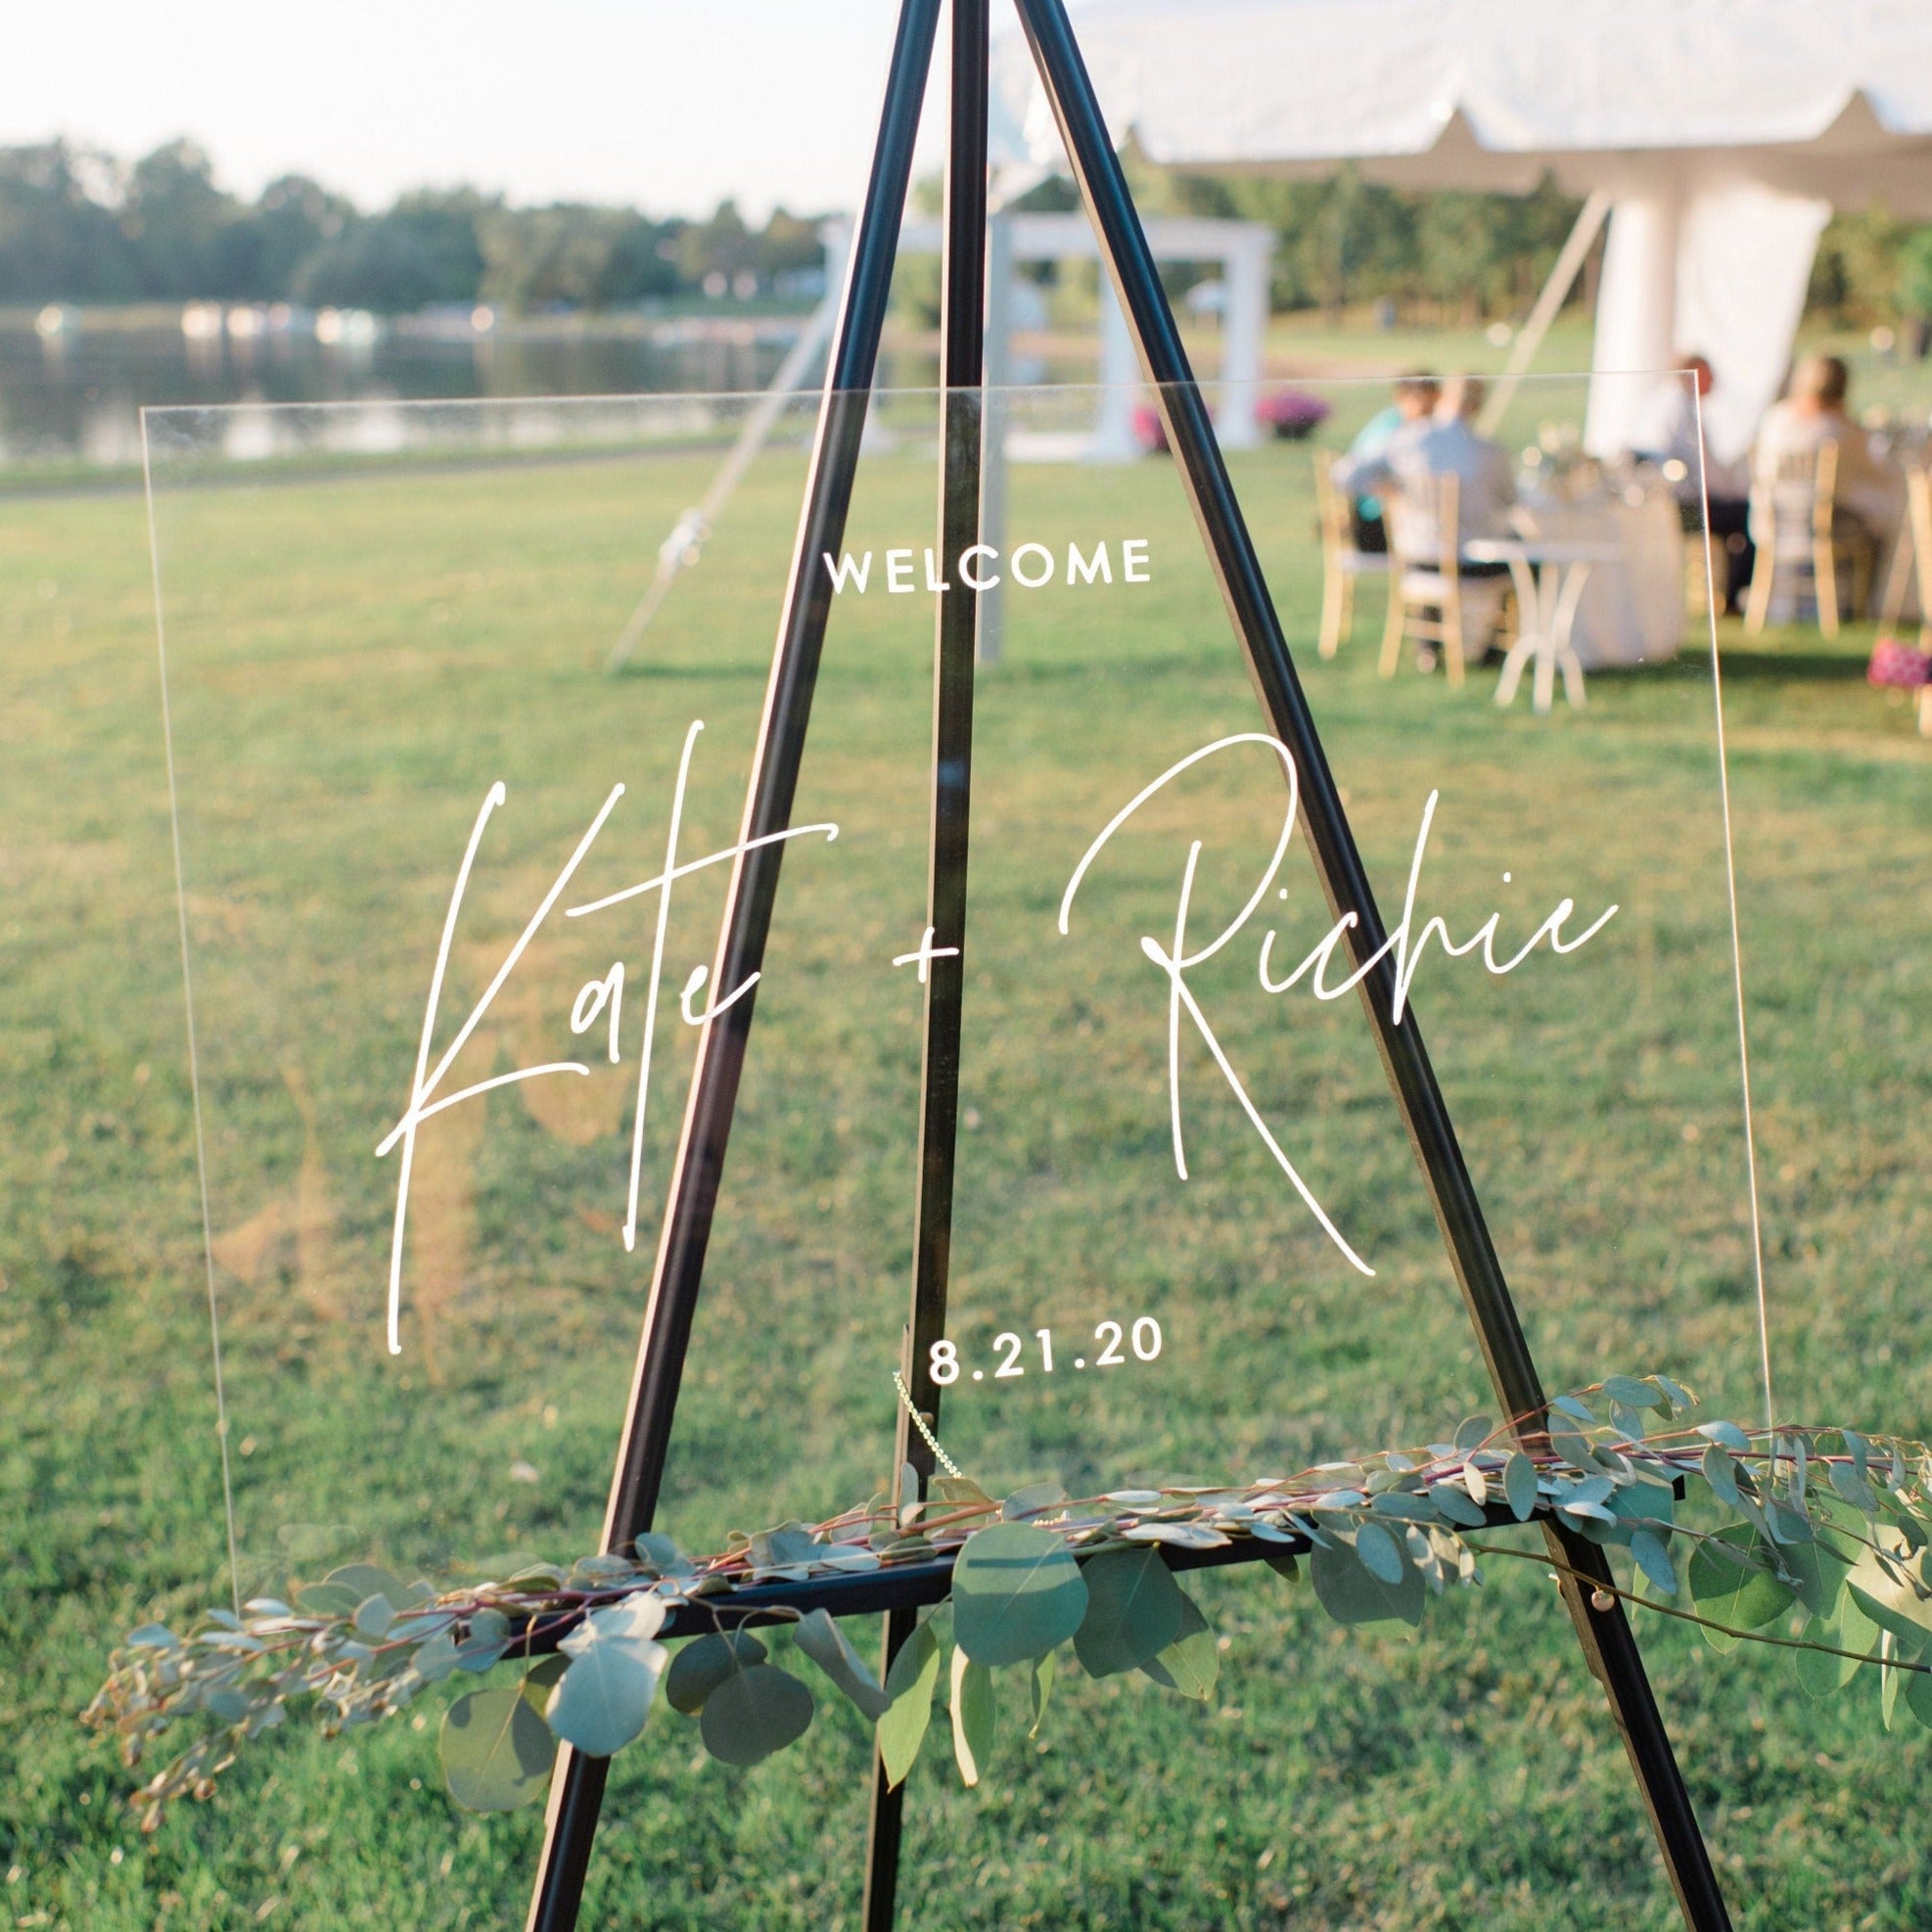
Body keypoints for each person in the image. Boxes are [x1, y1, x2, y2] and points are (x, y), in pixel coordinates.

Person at [1334, 375, 1517, 659]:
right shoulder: (1489, 452)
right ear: (1478, 407)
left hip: (1413, 559)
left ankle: (1429, 646)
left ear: (1441, 399)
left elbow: (1344, 475)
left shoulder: (1405, 439)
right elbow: (1510, 501)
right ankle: (1492, 647)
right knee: (1523, 563)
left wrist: (1389, 491)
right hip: (1467, 565)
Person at [1753, 354, 1905, 611]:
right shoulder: (1841, 431)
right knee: (1884, 520)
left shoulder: (1775, 421)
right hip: (1826, 527)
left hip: (1773, 523)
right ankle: (1866, 604)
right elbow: (1876, 477)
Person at [1632, 354, 1753, 614]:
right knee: (1750, 516)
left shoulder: (1662, 402)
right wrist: (1738, 492)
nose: (1715, 383)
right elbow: (1703, 470)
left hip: (1672, 498)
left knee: (1741, 515)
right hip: (1685, 503)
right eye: (1710, 375)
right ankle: (1734, 597)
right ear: (1695, 372)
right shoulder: (1681, 409)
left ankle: (1730, 593)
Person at [1338, 372, 1440, 552]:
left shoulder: (1404, 425)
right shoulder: (1392, 432)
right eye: (1426, 407)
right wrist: (1394, 494)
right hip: (1378, 526)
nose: (1430, 415)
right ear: (1403, 399)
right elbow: (1348, 474)